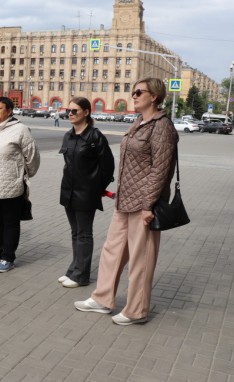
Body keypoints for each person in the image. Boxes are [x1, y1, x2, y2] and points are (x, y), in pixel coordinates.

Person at [74, 78, 179, 325]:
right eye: (133, 92)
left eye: (138, 92)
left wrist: (148, 205)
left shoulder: (162, 126)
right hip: (125, 200)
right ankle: (102, 299)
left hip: (144, 204)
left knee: (141, 260)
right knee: (112, 251)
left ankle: (137, 310)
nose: (133, 95)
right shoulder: (140, 122)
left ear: (154, 96)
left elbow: (161, 171)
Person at [58, 97, 115, 288]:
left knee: (84, 234)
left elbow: (108, 167)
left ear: (86, 113)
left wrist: (97, 188)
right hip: (68, 191)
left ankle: (81, 275)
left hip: (86, 193)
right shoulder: (69, 135)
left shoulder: (95, 137)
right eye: (69, 111)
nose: (70, 114)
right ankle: (74, 269)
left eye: (75, 111)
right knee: (75, 232)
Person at [0, 97, 40, 272]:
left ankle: (7, 258)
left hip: (11, 185)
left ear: (9, 111)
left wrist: (22, 175)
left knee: (10, 223)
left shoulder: (20, 130)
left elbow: (33, 157)